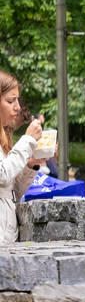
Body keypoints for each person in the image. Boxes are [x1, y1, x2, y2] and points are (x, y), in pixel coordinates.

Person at [1, 72, 43, 246]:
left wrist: (30, 165)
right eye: (11, 101)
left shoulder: (4, 138)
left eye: (17, 100)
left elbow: (12, 192)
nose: (17, 107)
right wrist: (27, 141)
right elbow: (2, 174)